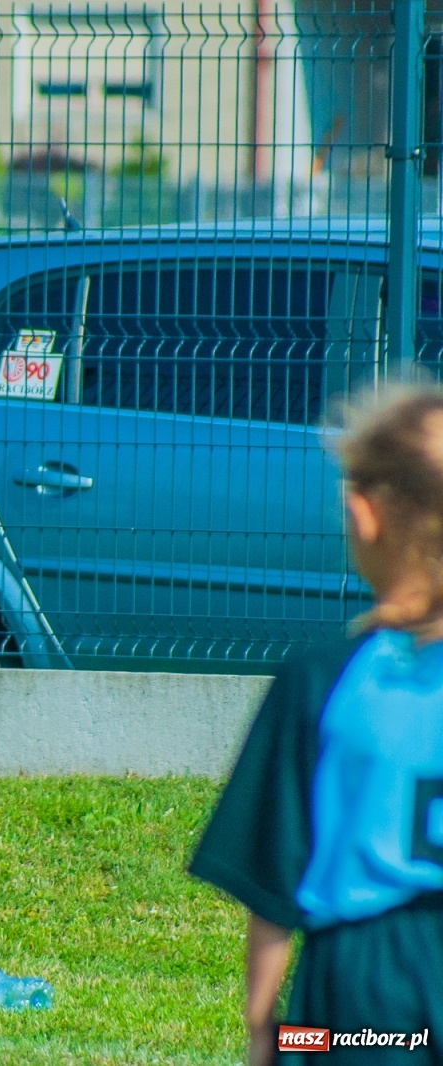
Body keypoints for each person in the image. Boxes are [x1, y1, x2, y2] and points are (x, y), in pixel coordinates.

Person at [190, 387, 443, 1065]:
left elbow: (275, 879)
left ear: (364, 515)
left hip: (365, 990)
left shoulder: (324, 677)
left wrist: (264, 1029)